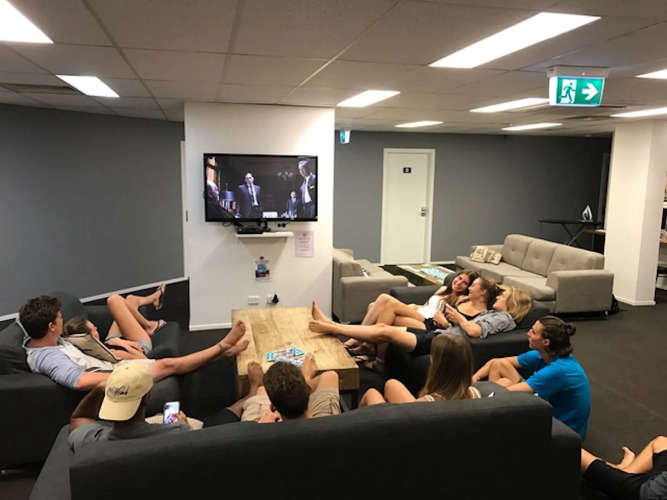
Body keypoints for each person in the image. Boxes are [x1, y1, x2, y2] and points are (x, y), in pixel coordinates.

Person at [20, 295, 249, 391]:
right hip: (118, 377)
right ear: (51, 326)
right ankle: (221, 346)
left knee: (170, 363)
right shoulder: (48, 357)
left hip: (116, 365)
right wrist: (121, 374)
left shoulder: (43, 338)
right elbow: (79, 381)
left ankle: (223, 354)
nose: (63, 321)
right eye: (60, 318)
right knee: (168, 364)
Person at [67, 360, 266, 451]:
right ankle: (253, 394)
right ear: (146, 398)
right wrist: (186, 427)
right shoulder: (178, 432)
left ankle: (250, 394)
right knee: (216, 422)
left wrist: (97, 390)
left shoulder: (91, 443)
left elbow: (78, 419)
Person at [473, 315, 591, 438]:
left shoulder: (558, 370)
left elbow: (502, 393)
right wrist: (474, 379)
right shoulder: (542, 355)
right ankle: (493, 416)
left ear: (546, 342)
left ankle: (491, 422)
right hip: (546, 404)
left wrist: (474, 394)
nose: (528, 333)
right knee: (499, 365)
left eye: (533, 332)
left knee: (503, 384)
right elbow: (496, 362)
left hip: (561, 427)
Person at [343, 270, 478, 360]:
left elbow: (450, 320)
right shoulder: (443, 289)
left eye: (464, 283)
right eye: (459, 278)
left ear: (468, 287)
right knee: (374, 306)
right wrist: (412, 307)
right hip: (419, 313)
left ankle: (359, 340)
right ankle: (369, 346)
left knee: (385, 299)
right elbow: (426, 305)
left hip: (428, 322)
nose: (459, 283)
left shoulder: (460, 299)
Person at [358, 332, 481, 407]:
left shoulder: (425, 403)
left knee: (371, 394)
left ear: (438, 366)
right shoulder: (475, 393)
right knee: (392, 384)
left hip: (409, 431)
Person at [63, 285, 168, 360]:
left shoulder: (93, 346)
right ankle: (149, 325)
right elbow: (143, 358)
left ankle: (154, 298)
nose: (96, 328)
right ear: (88, 338)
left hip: (110, 341)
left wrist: (116, 341)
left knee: (129, 300)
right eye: (94, 329)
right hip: (137, 344)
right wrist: (121, 343)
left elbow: (108, 344)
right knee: (114, 299)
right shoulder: (112, 353)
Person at [241, 353, 340, 422]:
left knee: (261, 390)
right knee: (330, 376)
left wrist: (261, 426)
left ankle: (256, 386)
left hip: (269, 431)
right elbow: (330, 376)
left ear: (273, 407)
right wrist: (305, 378)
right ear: (308, 389)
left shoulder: (258, 434)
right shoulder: (331, 426)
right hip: (319, 425)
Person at [581, 437, 667, 500]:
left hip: (649, 494)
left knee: (578, 453)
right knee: (661, 442)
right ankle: (626, 474)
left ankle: (621, 479)